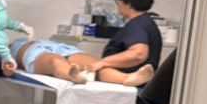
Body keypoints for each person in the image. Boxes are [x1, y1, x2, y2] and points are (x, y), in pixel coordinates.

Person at [9, 36, 157, 86]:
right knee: (55, 61)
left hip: (62, 47)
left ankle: (128, 78)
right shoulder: (12, 47)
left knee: (95, 65)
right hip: (32, 50)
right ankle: (73, 74)